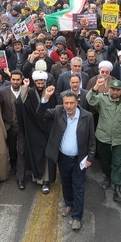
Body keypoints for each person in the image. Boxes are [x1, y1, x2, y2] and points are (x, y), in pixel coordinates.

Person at [37, 88, 96, 231]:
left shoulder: (87, 116)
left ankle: (77, 217)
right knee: (66, 183)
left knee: (79, 187)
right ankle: (69, 204)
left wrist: (90, 157)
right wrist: (45, 97)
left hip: (79, 159)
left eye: (71, 103)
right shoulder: (58, 111)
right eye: (66, 103)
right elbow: (40, 114)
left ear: (77, 103)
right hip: (62, 158)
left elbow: (91, 139)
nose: (68, 106)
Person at [86, 78, 121, 201]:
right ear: (109, 89)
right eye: (113, 89)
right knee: (105, 162)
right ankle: (107, 176)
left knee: (118, 164)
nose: (115, 92)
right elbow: (90, 100)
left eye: (118, 90)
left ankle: (117, 190)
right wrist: (96, 87)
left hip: (118, 139)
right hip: (103, 138)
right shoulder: (102, 98)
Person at [0, 70, 28, 189]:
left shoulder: (27, 91)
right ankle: (13, 164)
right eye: (13, 79)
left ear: (21, 80)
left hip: (22, 127)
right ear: (10, 80)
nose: (15, 82)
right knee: (11, 149)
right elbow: (0, 109)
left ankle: (21, 178)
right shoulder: (2, 92)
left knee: (22, 151)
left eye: (18, 80)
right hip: (8, 127)